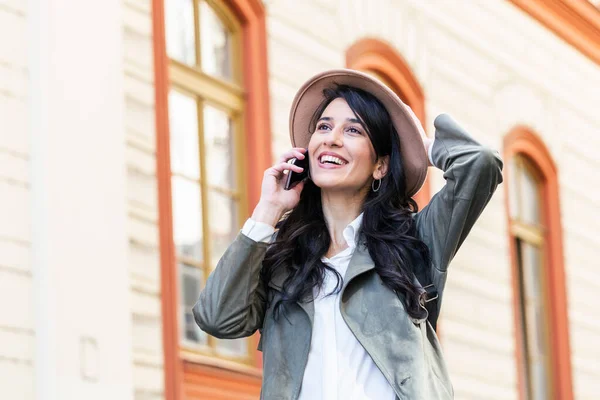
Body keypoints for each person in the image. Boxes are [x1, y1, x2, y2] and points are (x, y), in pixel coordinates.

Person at [193, 69, 504, 400]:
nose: (332, 138)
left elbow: (480, 162)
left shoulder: (416, 242)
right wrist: (268, 210)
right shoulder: (283, 259)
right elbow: (217, 319)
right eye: (324, 127)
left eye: (353, 130)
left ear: (380, 166)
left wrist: (417, 147)